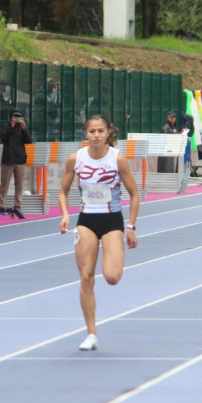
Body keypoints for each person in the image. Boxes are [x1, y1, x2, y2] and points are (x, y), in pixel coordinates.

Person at [59, 115, 139, 351]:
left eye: (100, 131)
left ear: (107, 133)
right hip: (86, 221)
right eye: (92, 131)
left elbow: (134, 194)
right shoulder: (76, 159)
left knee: (112, 277)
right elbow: (62, 192)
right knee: (86, 277)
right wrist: (65, 215)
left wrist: (131, 228)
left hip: (112, 221)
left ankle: (113, 253)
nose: (96, 135)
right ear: (86, 134)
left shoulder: (118, 159)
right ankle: (91, 333)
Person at [0, 109, 32, 218]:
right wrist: (11, 126)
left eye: (18, 117)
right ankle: (0, 205)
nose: (16, 119)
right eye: (14, 117)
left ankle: (17, 205)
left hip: (20, 160)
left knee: (19, 184)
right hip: (8, 159)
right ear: (10, 118)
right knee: (4, 183)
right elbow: (3, 138)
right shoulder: (6, 127)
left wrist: (24, 129)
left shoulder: (22, 128)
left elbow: (28, 141)